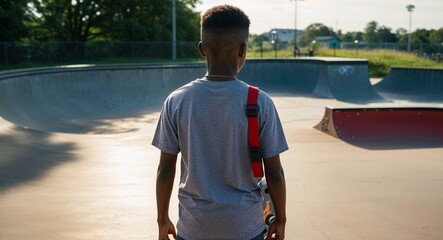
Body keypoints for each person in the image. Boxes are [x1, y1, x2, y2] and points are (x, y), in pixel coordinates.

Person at [153, 5, 288, 240]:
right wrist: (282, 219)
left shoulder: (177, 100)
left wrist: (162, 219)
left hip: (194, 226)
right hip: (245, 227)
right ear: (243, 50)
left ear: (202, 49)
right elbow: (274, 173)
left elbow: (165, 169)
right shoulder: (260, 102)